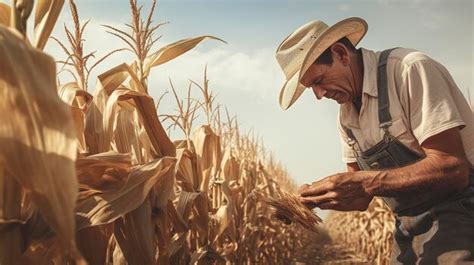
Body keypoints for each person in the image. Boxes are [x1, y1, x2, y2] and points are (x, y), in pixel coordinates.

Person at [275, 17, 474, 264]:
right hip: (406, 222)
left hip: (459, 210)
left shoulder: (408, 70)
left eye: (318, 81)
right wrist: (314, 199)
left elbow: (454, 168)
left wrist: (368, 182)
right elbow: (360, 198)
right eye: (311, 88)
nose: (319, 94)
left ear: (340, 53)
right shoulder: (346, 116)